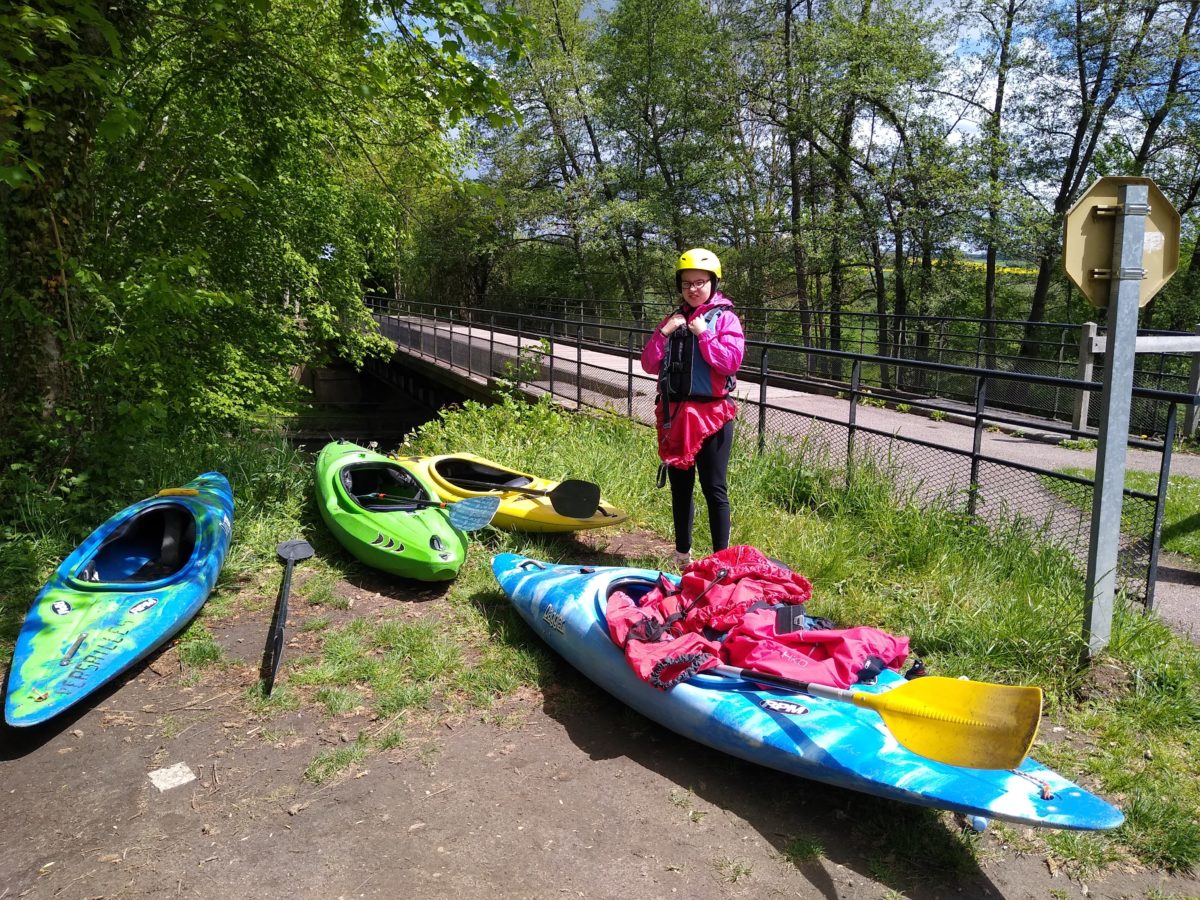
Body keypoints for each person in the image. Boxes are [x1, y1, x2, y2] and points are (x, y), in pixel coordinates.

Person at [640, 248, 745, 568]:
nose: (693, 288)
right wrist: (664, 332)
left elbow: (730, 363)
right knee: (681, 488)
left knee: (715, 488)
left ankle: (719, 562)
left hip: (712, 415)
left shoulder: (726, 319)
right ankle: (682, 556)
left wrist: (705, 335)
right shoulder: (673, 319)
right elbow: (648, 363)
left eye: (700, 282)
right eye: (686, 283)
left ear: (713, 283)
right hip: (676, 415)